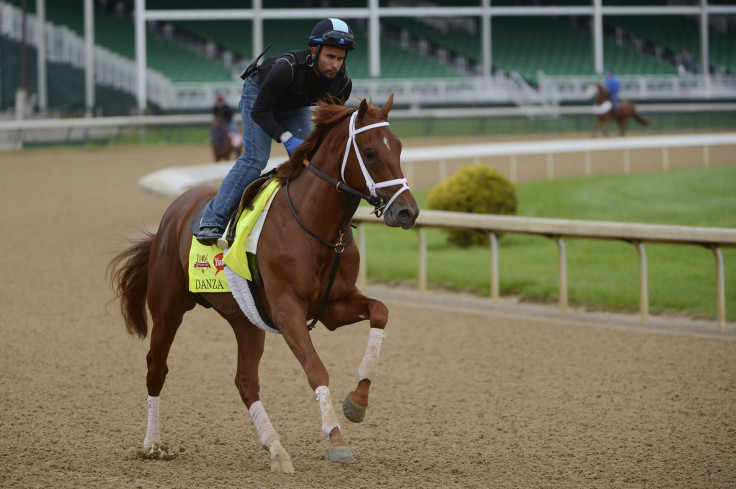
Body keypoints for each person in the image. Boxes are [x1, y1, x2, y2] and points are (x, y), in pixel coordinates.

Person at [197, 18, 354, 245]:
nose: (335, 65)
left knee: (311, 160)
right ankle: (213, 220)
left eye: (340, 58)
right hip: (259, 95)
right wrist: (286, 137)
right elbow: (260, 112)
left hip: (295, 105)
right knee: (255, 159)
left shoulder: (342, 83)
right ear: (314, 51)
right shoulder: (286, 68)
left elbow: (331, 124)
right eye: (330, 56)